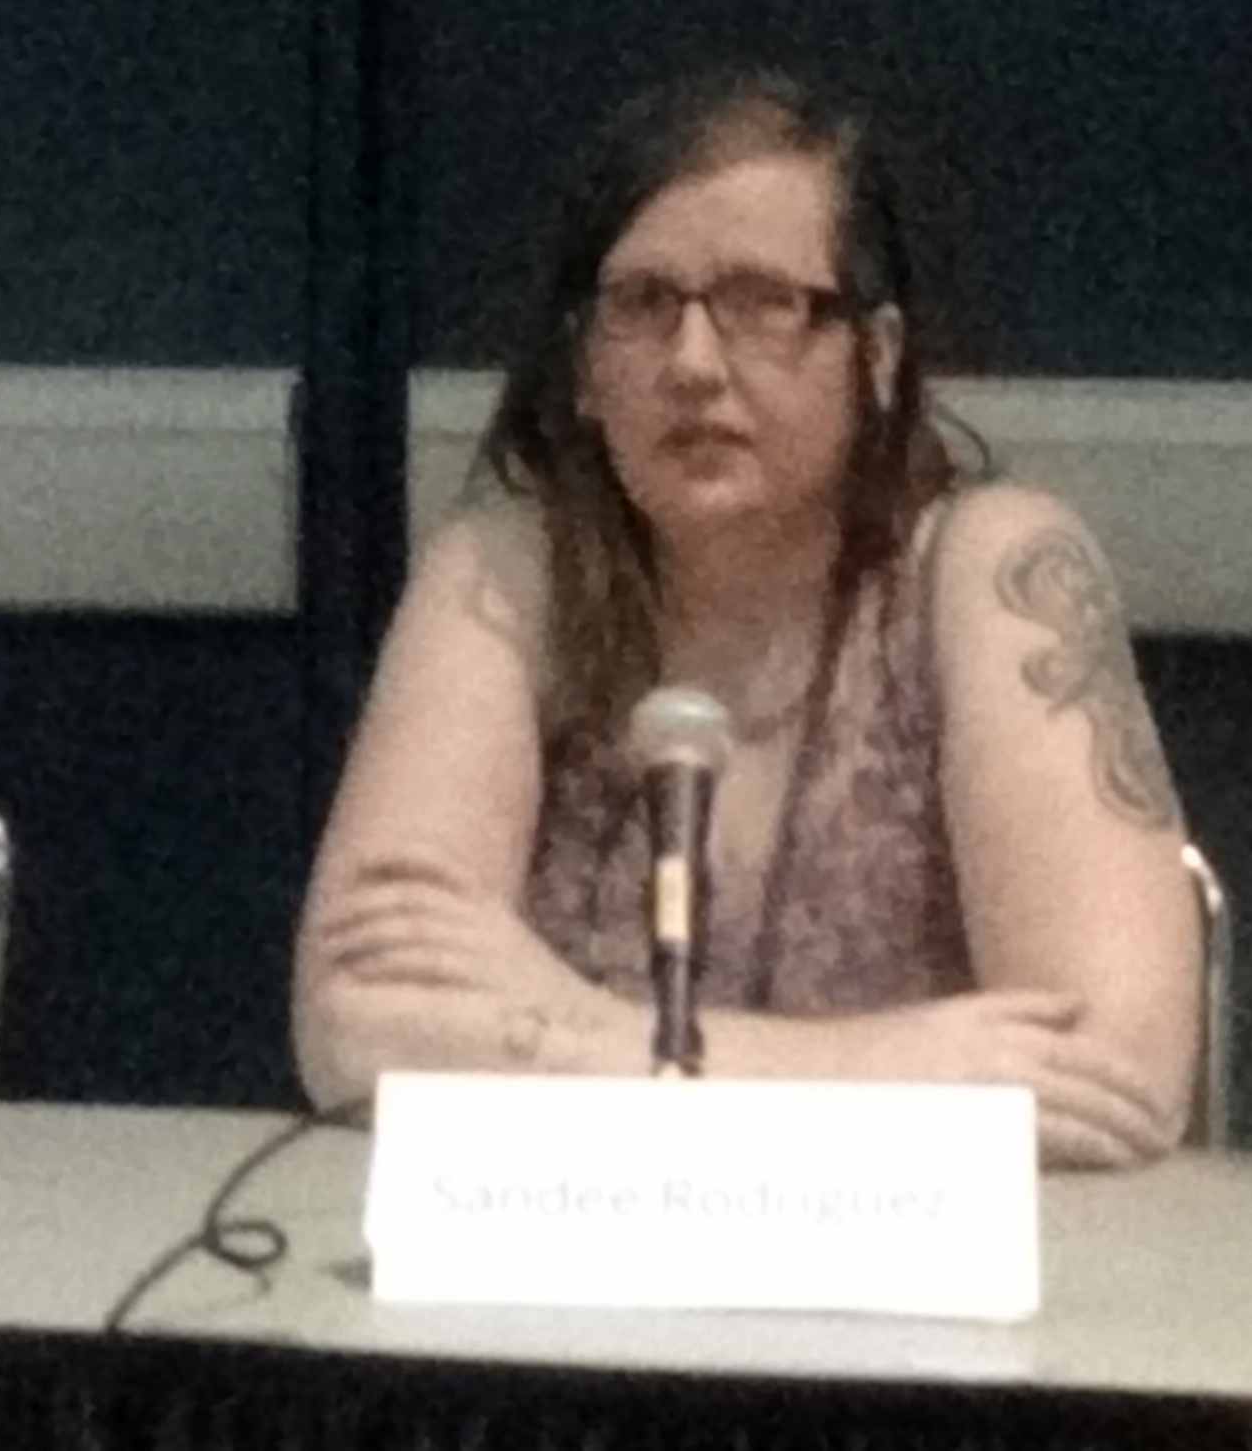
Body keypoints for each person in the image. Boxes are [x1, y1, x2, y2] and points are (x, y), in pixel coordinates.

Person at [292, 61, 1205, 1168]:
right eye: (641, 305)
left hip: (921, 1263)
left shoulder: (992, 569)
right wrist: (891, 1068)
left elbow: (1118, 1069)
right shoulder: (504, 569)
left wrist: (563, 1032)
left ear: (876, 357)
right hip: (576, 1244)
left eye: (762, 303)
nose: (692, 363)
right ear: (581, 366)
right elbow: (356, 1021)